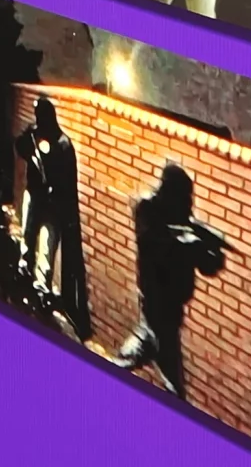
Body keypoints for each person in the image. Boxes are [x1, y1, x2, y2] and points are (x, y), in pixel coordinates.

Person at [109, 163, 229, 398]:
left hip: (171, 317)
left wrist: (212, 251)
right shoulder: (148, 209)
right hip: (154, 310)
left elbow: (207, 265)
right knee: (146, 361)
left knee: (173, 385)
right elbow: (160, 244)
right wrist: (192, 243)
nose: (187, 203)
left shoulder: (181, 215)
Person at [14, 97, 92, 340]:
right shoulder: (35, 136)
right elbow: (21, 148)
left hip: (53, 206)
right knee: (28, 234)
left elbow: (66, 177)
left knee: (47, 246)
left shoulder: (62, 143)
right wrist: (29, 137)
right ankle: (24, 266)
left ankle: (41, 287)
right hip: (34, 196)